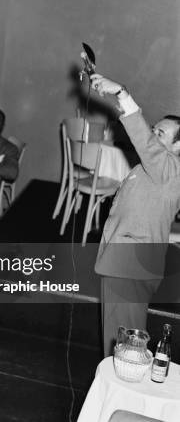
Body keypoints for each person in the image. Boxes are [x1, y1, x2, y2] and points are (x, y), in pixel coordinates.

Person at [89, 74, 180, 356]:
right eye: (153, 130)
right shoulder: (153, 169)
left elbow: (143, 140)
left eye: (160, 134)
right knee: (117, 343)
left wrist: (122, 94)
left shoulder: (171, 169)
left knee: (125, 348)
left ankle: (125, 400)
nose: (152, 136)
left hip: (130, 267)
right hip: (122, 263)